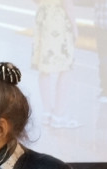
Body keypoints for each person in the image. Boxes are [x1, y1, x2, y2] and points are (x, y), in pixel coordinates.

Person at [31, 0, 80, 128]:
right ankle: (59, 116)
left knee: (44, 67)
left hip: (42, 17)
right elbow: (68, 4)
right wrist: (75, 27)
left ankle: (47, 114)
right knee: (65, 67)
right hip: (58, 20)